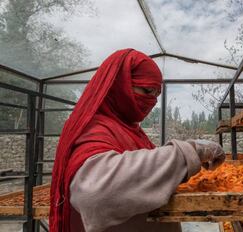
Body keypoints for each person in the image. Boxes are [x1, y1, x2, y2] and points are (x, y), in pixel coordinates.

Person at [49, 49, 226, 232]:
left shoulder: (129, 128)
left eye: (156, 95)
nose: (152, 102)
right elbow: (94, 192)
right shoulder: (95, 128)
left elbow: (143, 174)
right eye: (147, 90)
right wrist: (189, 152)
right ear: (120, 85)